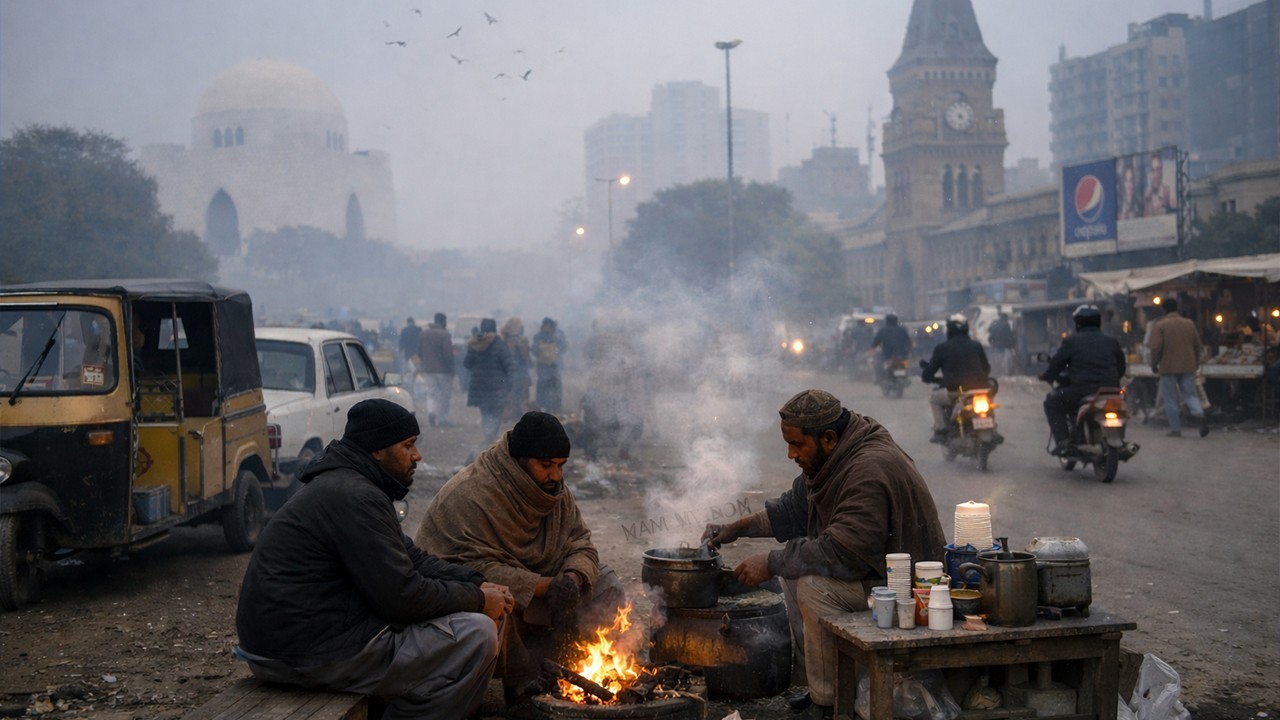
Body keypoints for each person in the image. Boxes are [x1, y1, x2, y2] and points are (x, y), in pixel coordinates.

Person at [234, 399, 514, 720]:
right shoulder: (354, 496)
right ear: (377, 451)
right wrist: (478, 600)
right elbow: (402, 597)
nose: (417, 455)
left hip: (301, 642)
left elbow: (412, 558)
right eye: (408, 445)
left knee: (482, 615)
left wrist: (477, 583)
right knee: (477, 634)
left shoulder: (350, 485)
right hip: (306, 654)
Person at [700, 390, 946, 720]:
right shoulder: (836, 456)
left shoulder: (867, 469)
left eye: (797, 445)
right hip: (873, 574)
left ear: (828, 438)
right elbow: (792, 510)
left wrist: (771, 562)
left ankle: (830, 702)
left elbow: (844, 552)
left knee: (813, 586)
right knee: (794, 573)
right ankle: (817, 686)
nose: (790, 454)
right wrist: (737, 527)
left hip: (905, 589)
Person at [415, 411, 626, 707]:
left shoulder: (554, 491)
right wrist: (543, 586)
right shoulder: (471, 494)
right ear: (519, 460)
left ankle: (570, 671)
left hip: (547, 579)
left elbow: (581, 541)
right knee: (497, 605)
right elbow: (466, 568)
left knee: (606, 583)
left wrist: (571, 578)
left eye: (561, 466)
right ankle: (523, 690)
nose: (555, 476)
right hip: (480, 591)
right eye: (546, 466)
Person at [1039, 305, 1127, 456]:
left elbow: (1056, 363)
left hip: (1081, 391)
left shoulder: (1071, 341)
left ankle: (1063, 442)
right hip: (1110, 392)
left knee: (1052, 403)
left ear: (1078, 323)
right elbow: (1121, 367)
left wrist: (1047, 376)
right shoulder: (1112, 341)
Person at [920, 314, 992, 443]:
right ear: (966, 329)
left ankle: (941, 430)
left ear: (949, 330)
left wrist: (929, 377)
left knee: (934, 399)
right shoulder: (976, 346)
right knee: (989, 403)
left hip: (956, 391)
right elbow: (986, 368)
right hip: (979, 390)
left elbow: (929, 372)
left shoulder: (942, 348)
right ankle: (992, 429)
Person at [1149, 298, 1209, 437]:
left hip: (1168, 366)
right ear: (1177, 308)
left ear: (1164, 310)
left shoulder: (1160, 325)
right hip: (1188, 365)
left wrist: (1154, 363)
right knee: (1189, 394)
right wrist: (1196, 363)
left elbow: (1155, 347)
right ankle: (1199, 415)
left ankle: (1176, 429)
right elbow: (1197, 345)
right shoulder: (1189, 323)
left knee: (1170, 398)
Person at [465, 317, 511, 445]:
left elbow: (467, 364)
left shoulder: (473, 343)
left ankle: (487, 433)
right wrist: (509, 383)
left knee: (485, 411)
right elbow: (508, 365)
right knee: (496, 412)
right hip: (496, 386)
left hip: (478, 386)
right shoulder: (500, 344)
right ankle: (491, 435)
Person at [417, 313, 454, 427]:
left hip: (428, 369)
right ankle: (442, 419)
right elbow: (448, 354)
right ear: (443, 322)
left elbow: (419, 352)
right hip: (443, 371)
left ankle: (432, 412)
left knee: (431, 393)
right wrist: (451, 368)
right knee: (444, 395)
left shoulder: (424, 334)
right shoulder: (445, 335)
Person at [533, 317, 568, 413]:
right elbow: (534, 350)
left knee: (556, 389)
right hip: (543, 368)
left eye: (549, 326)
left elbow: (564, 347)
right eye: (546, 326)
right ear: (542, 326)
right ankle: (542, 408)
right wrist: (543, 351)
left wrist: (555, 350)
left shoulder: (558, 336)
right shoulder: (538, 336)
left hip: (555, 367)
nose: (547, 328)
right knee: (542, 388)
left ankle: (556, 408)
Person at [501, 317, 532, 422]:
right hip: (514, 374)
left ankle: (516, 416)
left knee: (517, 396)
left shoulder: (519, 340)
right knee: (514, 396)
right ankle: (513, 416)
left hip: (517, 374)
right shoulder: (506, 341)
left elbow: (527, 359)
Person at [870, 313, 912, 382]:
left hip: (887, 355)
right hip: (901, 355)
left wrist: (872, 347)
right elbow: (908, 342)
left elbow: (875, 342)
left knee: (877, 363)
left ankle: (878, 378)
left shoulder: (882, 331)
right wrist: (909, 350)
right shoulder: (902, 330)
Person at [1143, 151, 1176, 217]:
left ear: (1161, 171)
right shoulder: (1146, 196)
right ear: (1149, 173)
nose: (1155, 175)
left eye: (1158, 170)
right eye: (1153, 170)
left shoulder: (1167, 192)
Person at [987, 308, 1016, 376]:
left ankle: (996, 373)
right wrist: (1012, 345)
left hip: (995, 346)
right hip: (1003, 347)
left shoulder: (994, 323)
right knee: (1005, 363)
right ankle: (1004, 374)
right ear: (1005, 318)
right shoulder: (1006, 325)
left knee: (997, 362)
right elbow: (1009, 336)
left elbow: (989, 332)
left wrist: (992, 342)